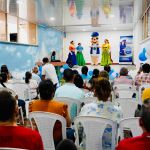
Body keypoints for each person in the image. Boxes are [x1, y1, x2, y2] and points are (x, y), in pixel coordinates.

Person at [79, 78, 122, 150]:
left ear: (95, 92)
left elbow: (79, 130)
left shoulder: (85, 108)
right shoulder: (117, 111)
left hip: (87, 147)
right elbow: (119, 133)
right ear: (110, 93)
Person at [29, 80, 71, 145]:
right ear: (53, 92)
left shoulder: (32, 105)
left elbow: (33, 122)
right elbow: (68, 124)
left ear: (39, 92)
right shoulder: (61, 106)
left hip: (39, 138)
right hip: (57, 141)